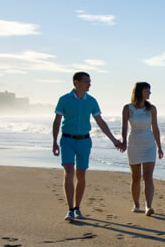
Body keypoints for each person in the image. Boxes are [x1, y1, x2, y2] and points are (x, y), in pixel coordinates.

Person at [52, 72, 124, 221]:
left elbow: (100, 122)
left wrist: (113, 140)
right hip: (67, 140)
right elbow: (57, 121)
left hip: (84, 141)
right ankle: (70, 209)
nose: (89, 84)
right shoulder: (64, 99)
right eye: (86, 82)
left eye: (90, 82)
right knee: (69, 171)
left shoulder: (91, 101)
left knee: (81, 175)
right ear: (76, 82)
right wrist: (54, 141)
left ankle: (77, 208)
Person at [121, 82, 163, 216]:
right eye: (147, 91)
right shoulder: (128, 108)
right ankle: (136, 204)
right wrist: (123, 141)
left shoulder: (151, 109)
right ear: (139, 91)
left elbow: (155, 128)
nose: (149, 93)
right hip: (134, 143)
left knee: (148, 176)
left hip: (149, 143)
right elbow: (124, 127)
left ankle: (148, 206)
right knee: (135, 177)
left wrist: (159, 147)